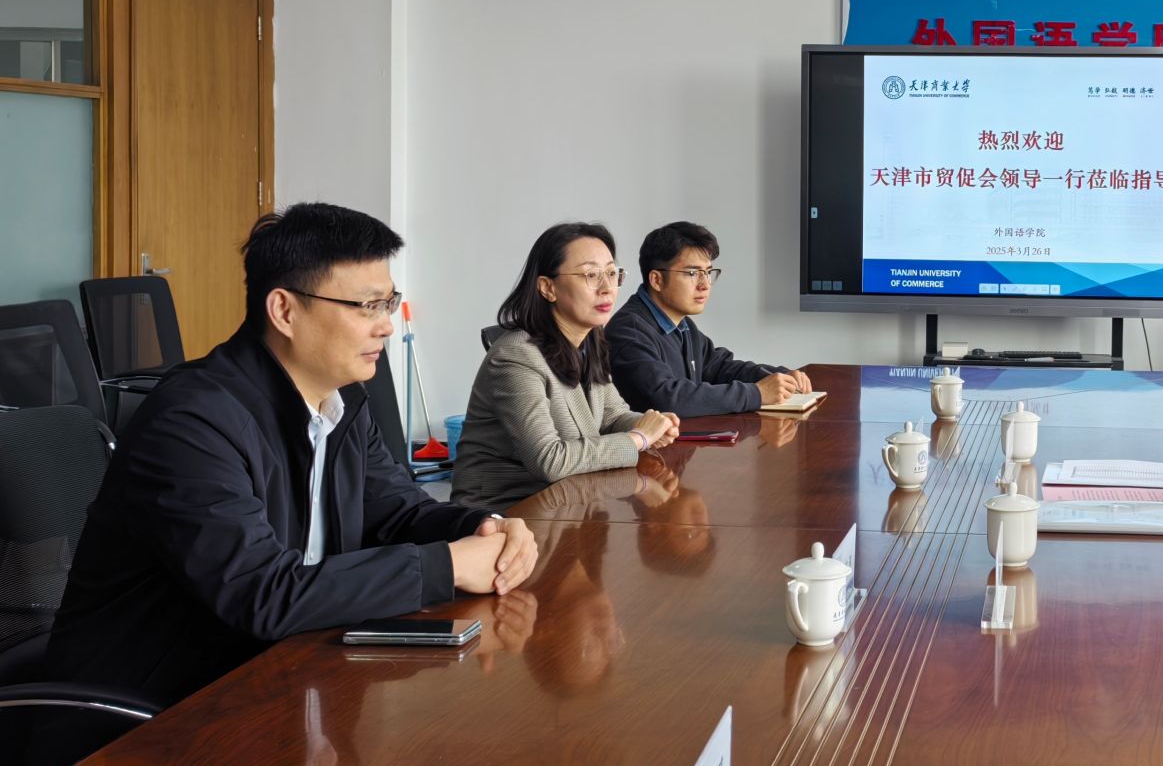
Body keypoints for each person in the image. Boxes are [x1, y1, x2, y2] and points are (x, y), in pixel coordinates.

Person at [46, 203, 539, 716]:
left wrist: (485, 528)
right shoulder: (192, 423)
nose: (386, 326)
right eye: (367, 306)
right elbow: (260, 593)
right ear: (284, 311)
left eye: (388, 303)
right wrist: (449, 564)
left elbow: (399, 513)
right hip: (154, 716)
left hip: (279, 682)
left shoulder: (341, 404)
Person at [452, 222, 681, 510]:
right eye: (591, 275)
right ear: (548, 288)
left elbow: (612, 417)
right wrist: (638, 438)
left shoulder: (589, 340)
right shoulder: (516, 356)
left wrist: (650, 426)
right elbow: (549, 460)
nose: (607, 288)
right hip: (504, 512)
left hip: (567, 502)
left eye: (612, 273)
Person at [607, 220, 811, 417]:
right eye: (693, 273)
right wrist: (756, 393)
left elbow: (719, 367)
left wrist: (777, 377)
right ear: (657, 280)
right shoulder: (629, 330)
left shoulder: (682, 325)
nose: (705, 284)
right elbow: (666, 398)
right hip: (651, 442)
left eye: (708, 272)